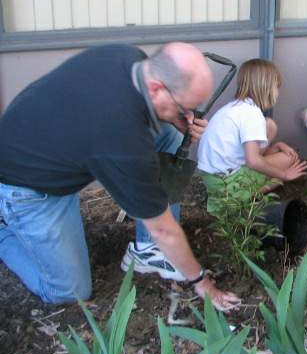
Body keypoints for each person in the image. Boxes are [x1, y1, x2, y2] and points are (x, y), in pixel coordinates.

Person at [0, 42, 240, 310]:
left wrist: (174, 117)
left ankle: (148, 252)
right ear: (157, 88)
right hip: (28, 186)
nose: (189, 115)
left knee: (170, 135)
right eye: (184, 107)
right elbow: (163, 228)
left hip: (44, 138)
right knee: (69, 292)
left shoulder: (127, 57)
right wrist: (201, 282)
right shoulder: (122, 141)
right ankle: (3, 232)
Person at [197, 59, 307, 204]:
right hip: (227, 184)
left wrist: (277, 145)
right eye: (277, 87)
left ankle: (231, 194)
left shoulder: (233, 107)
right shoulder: (252, 114)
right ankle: (236, 200)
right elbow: (253, 161)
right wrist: (285, 174)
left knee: (269, 125)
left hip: (211, 179)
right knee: (288, 161)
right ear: (266, 87)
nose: (278, 92)